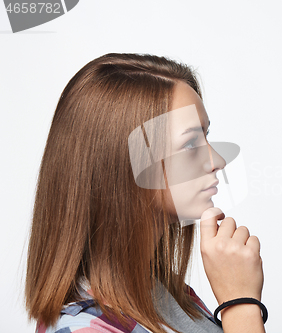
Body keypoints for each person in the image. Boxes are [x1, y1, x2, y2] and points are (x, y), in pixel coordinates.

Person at [25, 53, 266, 333]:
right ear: (122, 164)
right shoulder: (84, 329)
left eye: (206, 136)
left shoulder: (172, 298)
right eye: (190, 143)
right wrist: (241, 305)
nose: (217, 161)